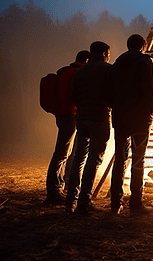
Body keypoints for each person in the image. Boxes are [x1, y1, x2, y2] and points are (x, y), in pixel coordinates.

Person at [108, 34, 153, 214]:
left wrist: (117, 107)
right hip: (140, 119)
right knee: (138, 159)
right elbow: (148, 89)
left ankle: (115, 202)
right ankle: (136, 203)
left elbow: (109, 91)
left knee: (120, 158)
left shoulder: (117, 64)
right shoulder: (144, 62)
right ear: (143, 46)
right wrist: (148, 112)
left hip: (120, 118)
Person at [66, 41, 112, 215]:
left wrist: (83, 107)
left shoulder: (81, 71)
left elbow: (73, 95)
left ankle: (71, 199)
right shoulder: (108, 70)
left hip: (82, 118)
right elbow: (112, 93)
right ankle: (84, 201)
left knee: (79, 157)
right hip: (99, 118)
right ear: (104, 53)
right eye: (108, 52)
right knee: (93, 159)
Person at [45, 50, 90, 205]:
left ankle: (60, 186)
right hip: (71, 115)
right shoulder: (78, 73)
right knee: (63, 152)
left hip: (63, 114)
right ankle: (54, 190)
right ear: (86, 60)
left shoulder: (65, 72)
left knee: (67, 152)